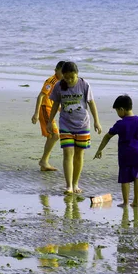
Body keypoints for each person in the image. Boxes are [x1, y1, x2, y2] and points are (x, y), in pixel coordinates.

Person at [93, 95, 138, 208]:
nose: (117, 113)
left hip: (125, 155)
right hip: (137, 154)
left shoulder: (120, 124)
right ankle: (136, 202)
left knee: (125, 179)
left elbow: (107, 136)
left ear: (121, 109)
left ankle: (125, 202)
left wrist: (100, 150)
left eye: (117, 111)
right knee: (137, 177)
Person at [47, 61, 102, 194]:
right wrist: (50, 121)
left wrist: (97, 121)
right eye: (67, 77)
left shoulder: (84, 85)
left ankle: (76, 183)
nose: (70, 80)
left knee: (79, 155)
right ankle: (69, 186)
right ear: (63, 75)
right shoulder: (59, 85)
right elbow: (55, 104)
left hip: (82, 124)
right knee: (67, 153)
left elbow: (91, 103)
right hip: (65, 124)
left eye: (72, 77)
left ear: (77, 75)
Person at [31, 61, 65, 172]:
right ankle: (43, 161)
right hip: (45, 108)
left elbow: (55, 98)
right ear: (57, 70)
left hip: (51, 109)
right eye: (62, 72)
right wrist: (36, 113)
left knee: (51, 136)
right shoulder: (52, 80)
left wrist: (60, 109)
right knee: (55, 135)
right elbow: (41, 96)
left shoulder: (60, 82)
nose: (64, 75)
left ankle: (44, 163)